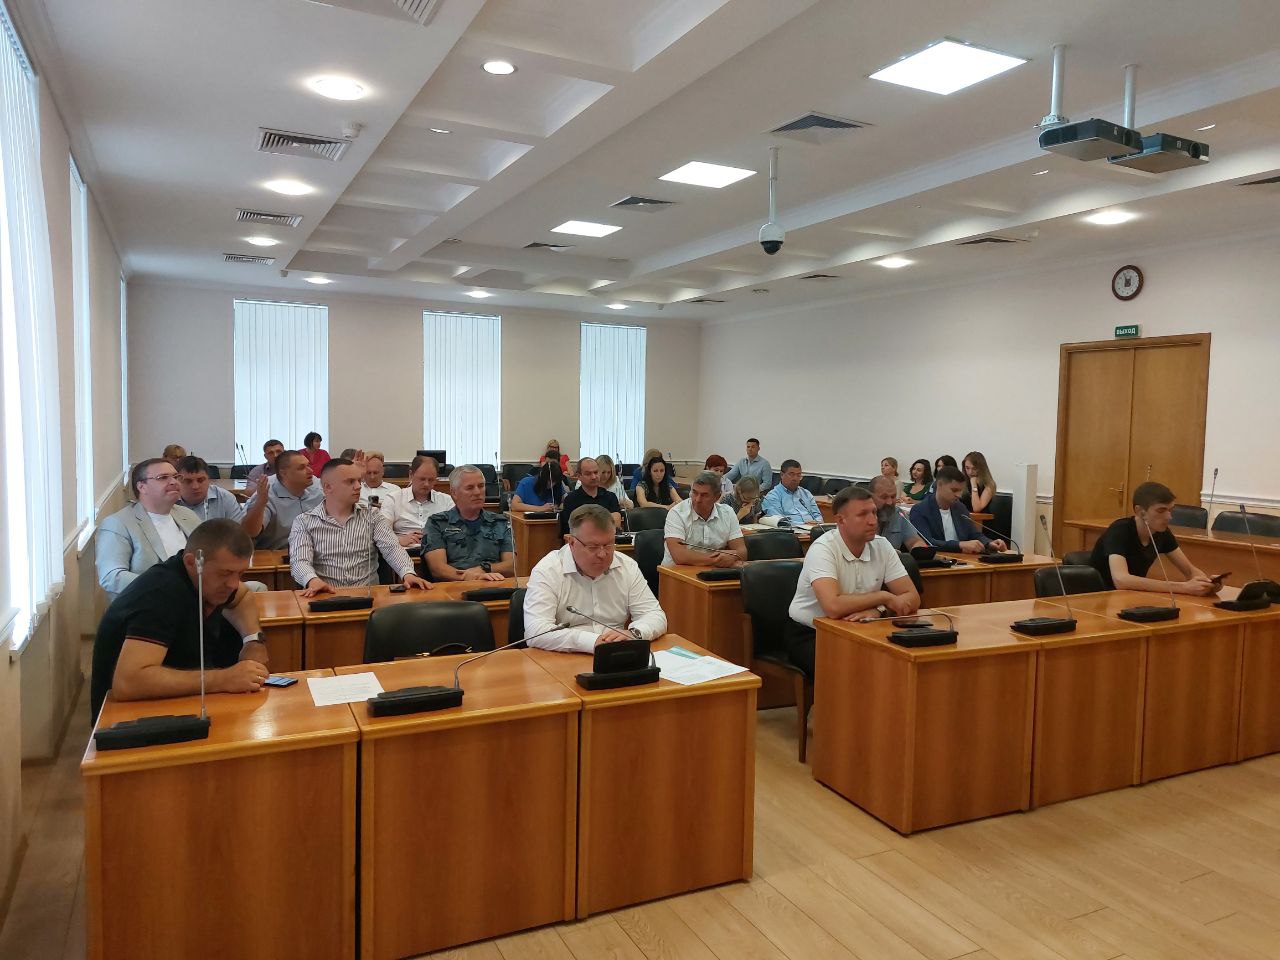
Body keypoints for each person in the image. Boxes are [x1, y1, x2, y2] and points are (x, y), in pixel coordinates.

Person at [90, 519, 270, 722]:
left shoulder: (210, 582)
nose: (233, 584)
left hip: (178, 703)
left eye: (240, 574)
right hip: (126, 721)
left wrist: (253, 639)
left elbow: (242, 597)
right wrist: (222, 679)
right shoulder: (160, 593)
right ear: (192, 562)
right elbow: (128, 683)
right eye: (225, 573)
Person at [787, 486, 920, 675]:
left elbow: (912, 598)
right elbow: (833, 607)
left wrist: (879, 610)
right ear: (840, 520)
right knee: (857, 668)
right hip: (813, 632)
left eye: (874, 512)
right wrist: (884, 597)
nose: (873, 521)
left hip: (861, 629)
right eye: (862, 514)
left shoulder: (882, 545)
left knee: (901, 659)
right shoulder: (823, 548)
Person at [523, 505, 667, 653]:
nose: (602, 554)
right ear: (571, 543)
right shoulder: (548, 570)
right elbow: (535, 631)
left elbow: (654, 615)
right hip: (563, 655)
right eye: (593, 547)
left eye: (608, 545)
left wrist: (635, 633)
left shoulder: (627, 566)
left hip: (615, 652)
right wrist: (593, 641)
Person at [289, 459, 431, 595]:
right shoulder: (304, 521)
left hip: (369, 596)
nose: (358, 486)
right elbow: (300, 561)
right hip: (325, 595)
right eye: (350, 481)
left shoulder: (372, 515)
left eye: (359, 480)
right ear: (328, 487)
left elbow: (392, 548)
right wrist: (312, 580)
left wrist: (408, 573)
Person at [96, 458, 202, 599]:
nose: (174, 482)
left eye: (176, 477)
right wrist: (165, 585)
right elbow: (111, 577)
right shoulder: (118, 523)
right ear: (142, 487)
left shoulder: (187, 515)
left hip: (195, 601)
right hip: (146, 605)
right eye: (163, 478)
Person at [1088, 482, 1218, 595]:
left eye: (1170, 510)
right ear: (1140, 511)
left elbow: (1189, 570)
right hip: (1098, 598)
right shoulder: (1120, 530)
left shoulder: (1161, 532)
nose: (1169, 517)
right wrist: (1183, 587)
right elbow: (1121, 580)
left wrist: (1207, 584)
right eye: (1161, 510)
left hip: (1129, 596)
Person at [421, 465, 515, 582]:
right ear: (454, 493)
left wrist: (484, 569)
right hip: (453, 587)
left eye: (481, 486)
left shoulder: (500, 522)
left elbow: (512, 565)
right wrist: (473, 577)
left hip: (492, 584)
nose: (477, 492)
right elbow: (438, 569)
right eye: (470, 488)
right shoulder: (437, 523)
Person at [909, 466, 1007, 554]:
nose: (959, 495)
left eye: (961, 491)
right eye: (954, 490)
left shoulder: (960, 508)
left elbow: (974, 534)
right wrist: (959, 545)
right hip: (937, 560)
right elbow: (927, 542)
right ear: (939, 485)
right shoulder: (919, 510)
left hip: (964, 560)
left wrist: (989, 543)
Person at [661, 471, 747, 567]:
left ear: (717, 497)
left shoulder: (728, 512)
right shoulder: (677, 513)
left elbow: (742, 552)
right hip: (676, 572)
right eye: (694, 493)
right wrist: (719, 559)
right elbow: (679, 556)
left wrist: (734, 555)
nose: (697, 499)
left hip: (713, 571)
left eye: (704, 495)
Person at [242, 449, 324, 549]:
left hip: (317, 552)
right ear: (283, 473)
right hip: (278, 553)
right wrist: (260, 503)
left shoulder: (318, 486)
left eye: (308, 465)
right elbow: (250, 532)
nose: (310, 471)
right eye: (301, 468)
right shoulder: (267, 491)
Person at [387, 455, 454, 548]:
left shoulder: (447, 501)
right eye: (422, 479)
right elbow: (382, 531)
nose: (426, 484)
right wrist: (398, 540)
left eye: (431, 480)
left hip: (438, 550)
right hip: (402, 551)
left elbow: (457, 531)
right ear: (411, 475)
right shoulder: (393, 499)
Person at [559, 457, 622, 538]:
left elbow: (616, 523)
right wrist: (604, 523)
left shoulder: (610, 497)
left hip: (606, 541)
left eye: (596, 472)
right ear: (579, 476)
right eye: (588, 474)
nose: (593, 477)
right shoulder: (571, 499)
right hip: (582, 542)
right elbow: (571, 530)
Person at [176, 455, 245, 523]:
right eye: (188, 481)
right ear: (177, 481)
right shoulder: (171, 501)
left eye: (201, 480)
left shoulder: (225, 498)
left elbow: (237, 529)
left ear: (209, 480)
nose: (195, 486)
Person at [868, 476, 926, 551]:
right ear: (870, 497)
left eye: (893, 497)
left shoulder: (898, 514)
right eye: (884, 497)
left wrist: (919, 550)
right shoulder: (859, 517)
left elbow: (914, 541)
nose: (889, 502)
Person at [761, 459, 822, 524]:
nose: (795, 478)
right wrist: (804, 525)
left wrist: (816, 523)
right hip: (792, 529)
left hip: (813, 528)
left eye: (798, 475)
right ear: (782, 475)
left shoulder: (806, 493)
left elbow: (818, 516)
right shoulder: (772, 496)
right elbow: (780, 522)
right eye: (791, 474)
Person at [359, 452, 400, 520]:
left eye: (375, 473)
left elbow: (401, 514)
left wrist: (386, 509)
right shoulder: (356, 489)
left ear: (382, 472)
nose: (372, 477)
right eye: (368, 473)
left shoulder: (395, 490)